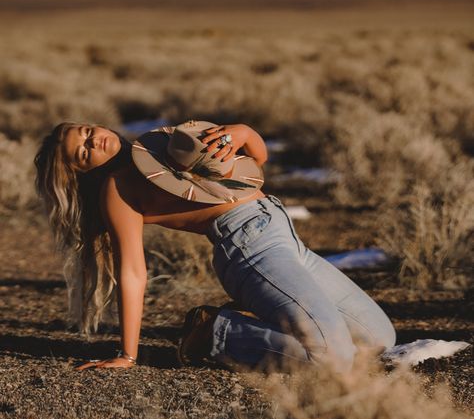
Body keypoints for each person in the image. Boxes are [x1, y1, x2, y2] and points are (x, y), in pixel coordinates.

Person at [34, 120, 396, 372]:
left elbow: (256, 164)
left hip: (284, 234)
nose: (92, 141)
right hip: (249, 250)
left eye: (86, 132)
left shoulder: (163, 145)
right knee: (334, 358)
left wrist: (244, 132)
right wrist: (128, 354)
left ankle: (268, 318)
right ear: (85, 171)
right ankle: (213, 333)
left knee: (381, 338)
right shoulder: (117, 189)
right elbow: (132, 271)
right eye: (83, 153)